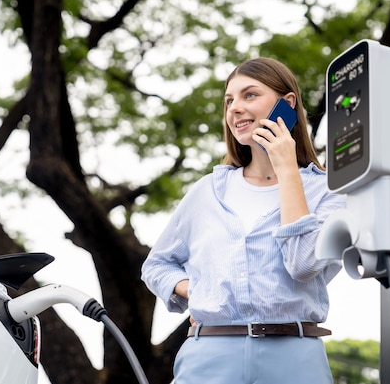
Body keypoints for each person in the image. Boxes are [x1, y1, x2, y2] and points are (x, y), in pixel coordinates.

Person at [141, 57, 345, 384]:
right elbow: (157, 265)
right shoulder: (207, 191)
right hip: (208, 354)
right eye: (229, 100)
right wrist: (200, 290)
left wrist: (287, 168)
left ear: (286, 104)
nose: (235, 107)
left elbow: (303, 263)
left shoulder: (328, 191)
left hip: (294, 357)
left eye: (249, 95)